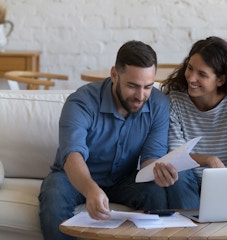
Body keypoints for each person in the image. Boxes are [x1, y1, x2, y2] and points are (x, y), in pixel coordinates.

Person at [38, 40, 199, 240]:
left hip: (124, 179)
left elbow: (151, 158)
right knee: (54, 195)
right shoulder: (81, 102)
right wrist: (91, 190)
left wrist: (159, 171)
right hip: (73, 177)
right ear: (114, 74)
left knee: (156, 193)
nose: (141, 96)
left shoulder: (159, 104)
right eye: (132, 86)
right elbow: (73, 156)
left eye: (148, 86)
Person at [161, 36, 227, 185]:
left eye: (202, 74)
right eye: (190, 68)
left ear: (220, 80)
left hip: (221, 181)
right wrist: (209, 159)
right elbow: (176, 154)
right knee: (178, 176)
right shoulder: (175, 99)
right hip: (184, 179)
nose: (191, 78)